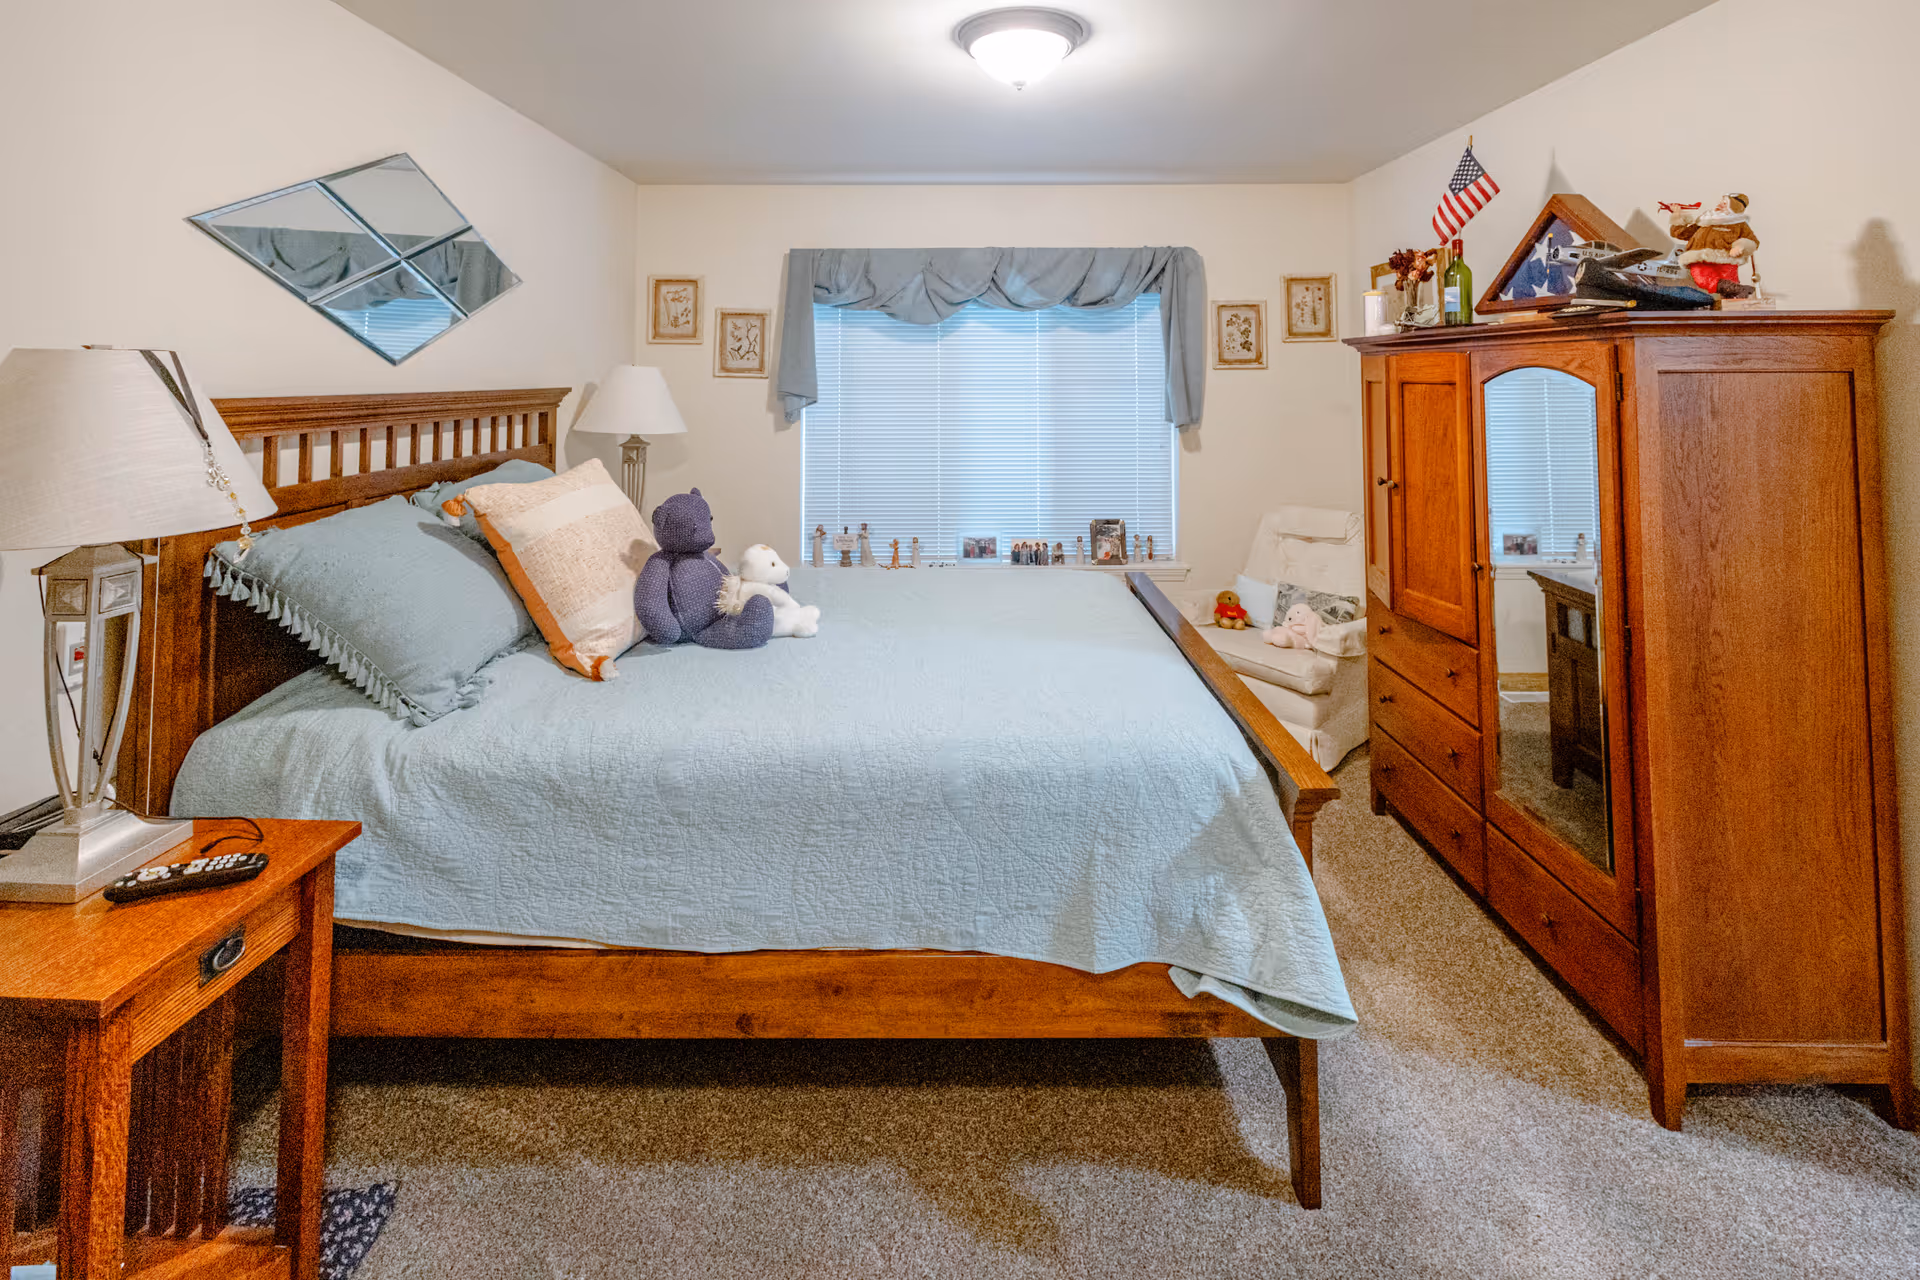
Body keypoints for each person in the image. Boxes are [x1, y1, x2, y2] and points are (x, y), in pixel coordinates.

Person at [1667, 194, 1758, 297]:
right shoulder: (1705, 221)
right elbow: (1681, 233)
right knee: (1702, 279)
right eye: (1720, 202)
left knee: (1730, 288)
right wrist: (1677, 215)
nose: (1719, 204)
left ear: (1735, 207)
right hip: (1700, 258)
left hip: (1726, 259)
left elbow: (1752, 240)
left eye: (1724, 203)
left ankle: (1736, 300)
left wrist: (1740, 246)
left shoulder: (1739, 224)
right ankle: (1740, 290)